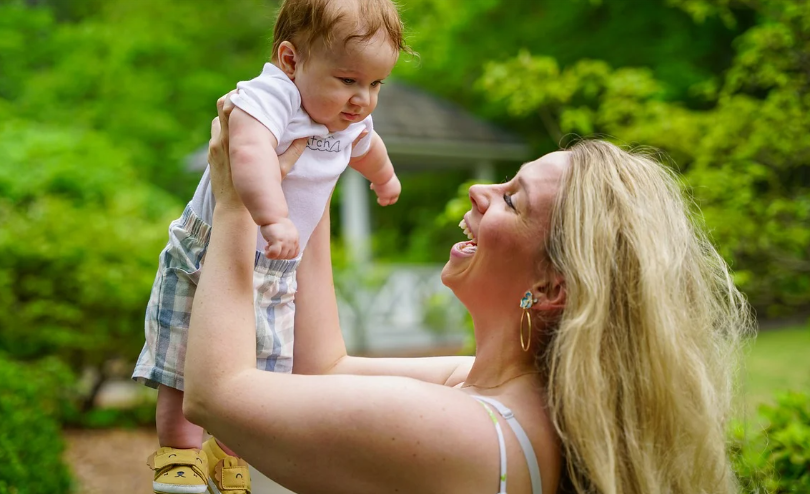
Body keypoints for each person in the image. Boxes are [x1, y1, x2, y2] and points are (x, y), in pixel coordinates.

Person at [180, 95, 750, 494]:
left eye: (512, 200)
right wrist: (317, 169)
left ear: (551, 286)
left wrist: (235, 203)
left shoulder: (468, 431)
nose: (480, 190)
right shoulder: (498, 391)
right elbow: (321, 367)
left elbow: (215, 396)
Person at [132, 0, 407, 494]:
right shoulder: (271, 96)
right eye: (348, 80)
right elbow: (248, 154)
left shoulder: (348, 117)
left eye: (376, 83)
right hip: (210, 250)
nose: (363, 99)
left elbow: (367, 146)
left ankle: (228, 453)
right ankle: (179, 453)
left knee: (260, 372)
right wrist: (274, 217)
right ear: (290, 59)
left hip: (277, 265)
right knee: (183, 361)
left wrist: (384, 177)